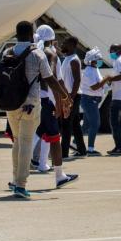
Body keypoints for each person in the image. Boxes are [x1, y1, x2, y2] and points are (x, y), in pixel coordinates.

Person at [4, 21, 70, 198]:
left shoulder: (7, 52)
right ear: (31, 34)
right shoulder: (38, 54)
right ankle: (20, 185)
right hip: (30, 103)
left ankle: (15, 178)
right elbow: (50, 79)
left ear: (16, 34)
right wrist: (65, 96)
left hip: (11, 104)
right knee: (25, 142)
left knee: (18, 141)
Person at [31, 25, 77, 188]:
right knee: (54, 138)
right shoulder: (52, 54)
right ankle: (59, 176)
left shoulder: (34, 51)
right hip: (47, 101)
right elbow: (54, 79)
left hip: (34, 100)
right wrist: (63, 100)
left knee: (38, 133)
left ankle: (23, 171)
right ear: (52, 39)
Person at [59, 36, 85, 158]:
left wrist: (71, 98)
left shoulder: (74, 60)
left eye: (65, 43)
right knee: (74, 124)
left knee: (66, 124)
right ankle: (82, 150)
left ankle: (63, 153)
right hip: (68, 96)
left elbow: (77, 80)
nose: (62, 44)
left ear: (72, 46)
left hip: (72, 96)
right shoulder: (66, 59)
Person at [79, 48, 108, 155]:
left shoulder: (94, 69)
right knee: (95, 124)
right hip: (89, 101)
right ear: (92, 61)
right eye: (98, 59)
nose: (100, 61)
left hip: (92, 101)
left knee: (86, 125)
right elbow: (94, 87)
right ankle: (90, 149)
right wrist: (106, 78)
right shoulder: (89, 71)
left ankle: (75, 142)